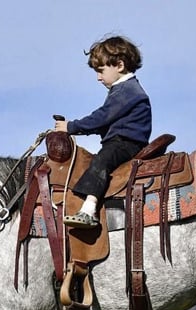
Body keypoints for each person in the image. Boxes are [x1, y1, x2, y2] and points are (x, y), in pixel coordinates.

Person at [56, 35, 152, 229]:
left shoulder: (127, 91)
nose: (98, 78)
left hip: (126, 143)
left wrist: (71, 126)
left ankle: (88, 210)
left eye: (101, 71)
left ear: (119, 65)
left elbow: (102, 117)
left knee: (102, 160)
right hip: (120, 140)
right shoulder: (123, 90)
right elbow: (103, 123)